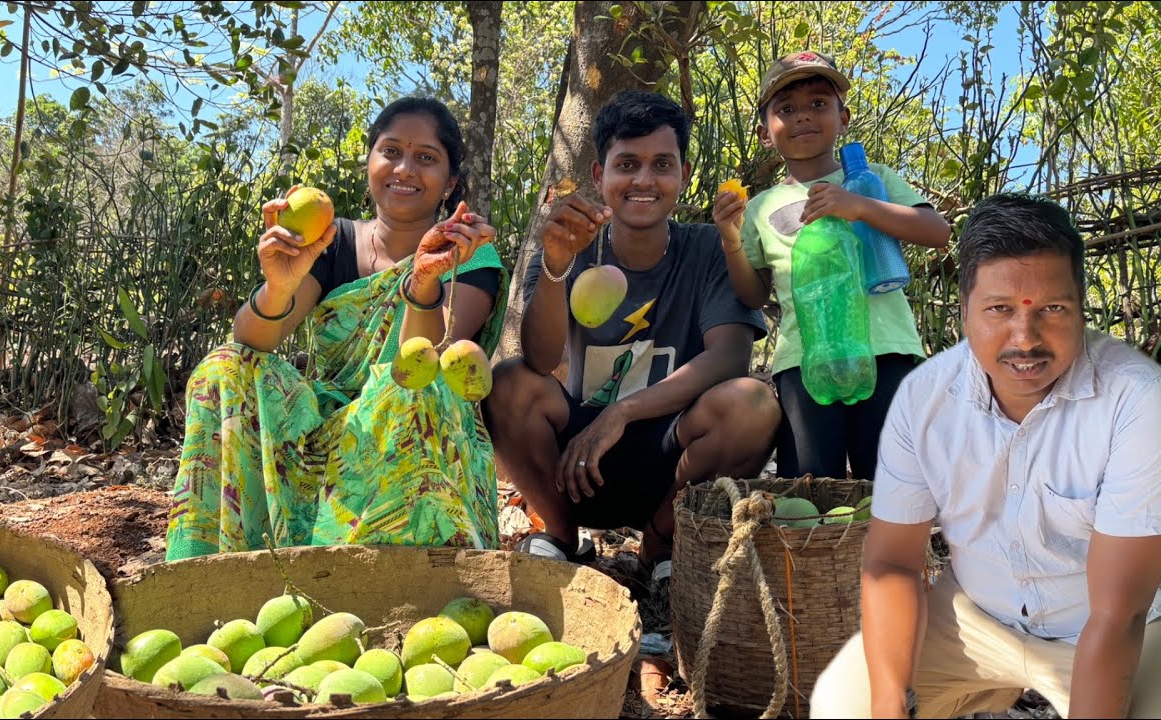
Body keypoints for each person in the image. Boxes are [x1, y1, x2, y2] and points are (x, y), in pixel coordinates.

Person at [810, 193, 1161, 718]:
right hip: (975, 615)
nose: (1025, 339)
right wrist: (889, 701)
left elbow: (1119, 615)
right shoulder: (924, 398)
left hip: (1114, 626)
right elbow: (893, 562)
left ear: (1082, 309)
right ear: (964, 311)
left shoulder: (1136, 401)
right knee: (846, 704)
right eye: (999, 309)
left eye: (1053, 309)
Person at [165, 97, 509, 560]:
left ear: (449, 183)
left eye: (425, 158)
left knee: (410, 391)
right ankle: (211, 570)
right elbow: (249, 341)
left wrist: (424, 280)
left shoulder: (471, 253)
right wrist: (279, 284)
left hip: (419, 432)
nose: (405, 169)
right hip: (325, 433)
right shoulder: (334, 240)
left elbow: (419, 365)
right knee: (222, 368)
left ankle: (395, 581)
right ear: (370, 163)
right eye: (391, 151)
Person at [484, 90, 781, 587]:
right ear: (600, 176)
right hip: (576, 464)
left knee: (754, 403)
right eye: (627, 164)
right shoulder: (568, 242)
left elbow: (729, 358)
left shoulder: (710, 247)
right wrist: (556, 266)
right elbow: (539, 357)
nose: (644, 180)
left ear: (683, 176)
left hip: (675, 460)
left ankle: (662, 543)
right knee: (509, 380)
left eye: (662, 164)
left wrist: (621, 412)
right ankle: (559, 534)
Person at [718, 51, 951, 481]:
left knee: (889, 480)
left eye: (818, 104)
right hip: (805, 360)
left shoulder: (872, 177)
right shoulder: (761, 206)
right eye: (786, 109)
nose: (804, 116)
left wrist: (859, 205)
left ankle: (892, 552)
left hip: (887, 350)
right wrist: (731, 237)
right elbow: (753, 294)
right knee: (808, 481)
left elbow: (936, 231)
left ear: (843, 118)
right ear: (765, 133)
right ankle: (815, 552)